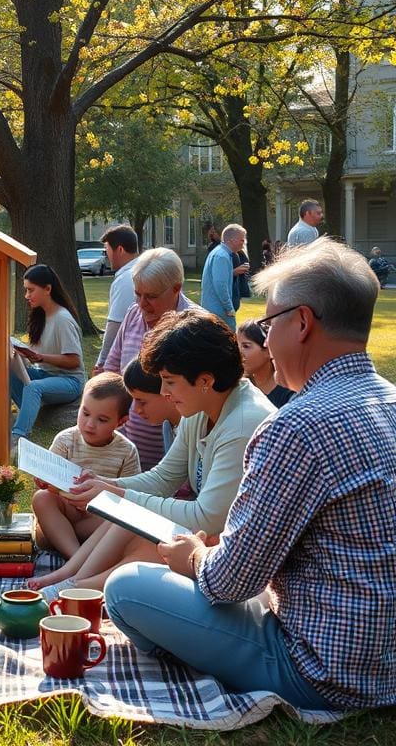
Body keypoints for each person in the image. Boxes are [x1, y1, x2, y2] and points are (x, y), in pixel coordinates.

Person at [105, 238, 396, 710]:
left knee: (126, 589)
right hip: (384, 661)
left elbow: (228, 583)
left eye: (267, 324)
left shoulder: (297, 426)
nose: (262, 342)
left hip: (321, 670)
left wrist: (193, 556)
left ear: (301, 323)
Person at [52, 311, 275, 595]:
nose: (164, 392)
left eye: (169, 381)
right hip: (210, 544)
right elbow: (163, 478)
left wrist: (118, 495)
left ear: (205, 380)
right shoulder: (203, 404)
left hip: (235, 565)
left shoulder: (243, 424)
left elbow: (207, 518)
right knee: (133, 514)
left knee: (148, 533)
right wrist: (108, 487)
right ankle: (71, 582)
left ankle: (76, 589)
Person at [28, 373, 140, 589]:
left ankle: (77, 561)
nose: (89, 424)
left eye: (102, 420)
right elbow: (48, 481)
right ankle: (77, 558)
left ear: (121, 421)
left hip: (97, 521)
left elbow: (129, 498)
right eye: (85, 413)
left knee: (124, 518)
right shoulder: (66, 440)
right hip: (66, 517)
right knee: (42, 498)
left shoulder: (127, 451)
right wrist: (43, 480)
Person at [103, 247, 194, 470]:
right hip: (125, 452)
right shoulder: (133, 314)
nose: (142, 303)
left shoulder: (195, 327)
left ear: (176, 289)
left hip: (171, 461)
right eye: (137, 294)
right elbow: (112, 371)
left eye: (151, 296)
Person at [10, 264, 85, 448]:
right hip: (45, 374)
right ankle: (29, 415)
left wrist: (40, 357)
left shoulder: (62, 319)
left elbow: (73, 361)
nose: (27, 296)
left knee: (33, 388)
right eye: (26, 290)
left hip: (70, 381)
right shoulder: (41, 315)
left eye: (30, 290)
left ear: (48, 289)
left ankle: (19, 436)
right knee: (7, 374)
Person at [93, 226, 140, 374]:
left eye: (107, 249)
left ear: (119, 250)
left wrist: (102, 363)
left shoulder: (127, 279)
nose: (106, 255)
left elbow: (115, 325)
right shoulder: (139, 271)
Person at [236, 319, 294, 407]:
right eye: (237, 345)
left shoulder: (289, 393)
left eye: (246, 346)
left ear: (268, 350)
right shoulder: (238, 385)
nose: (238, 352)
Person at [200, 223, 246, 331]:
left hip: (216, 311)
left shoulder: (222, 254)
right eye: (242, 240)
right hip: (219, 312)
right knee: (227, 343)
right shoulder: (222, 256)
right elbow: (220, 285)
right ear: (231, 240)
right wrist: (229, 308)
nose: (243, 244)